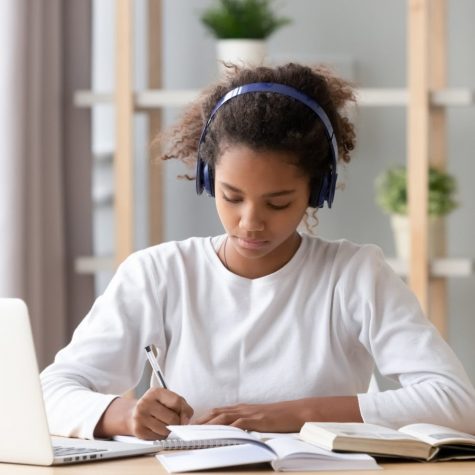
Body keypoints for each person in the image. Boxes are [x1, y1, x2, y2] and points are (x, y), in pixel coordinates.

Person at [41, 63, 475, 441]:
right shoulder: (158, 272)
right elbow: (48, 392)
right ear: (208, 180)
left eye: (278, 202)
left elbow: (456, 403)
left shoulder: (356, 274)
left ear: (317, 191)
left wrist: (294, 414)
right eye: (232, 197)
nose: (250, 222)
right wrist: (123, 415)